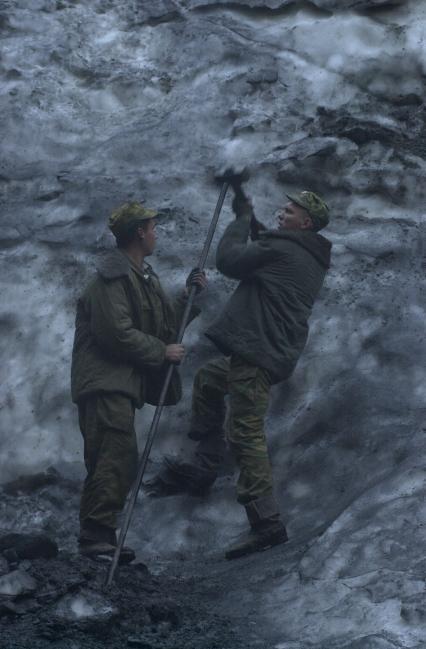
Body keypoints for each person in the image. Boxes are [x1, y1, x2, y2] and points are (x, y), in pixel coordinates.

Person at [145, 185, 332, 560]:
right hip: (268, 349)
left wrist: (241, 220)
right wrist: (255, 223)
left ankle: (266, 523)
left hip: (257, 351)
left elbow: (230, 260)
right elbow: (271, 250)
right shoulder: (306, 254)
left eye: (290, 211)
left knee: (245, 432)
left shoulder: (283, 248)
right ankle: (206, 465)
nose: (282, 212)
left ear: (305, 222)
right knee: (210, 379)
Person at [71, 202, 206, 562]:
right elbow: (115, 333)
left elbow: (161, 328)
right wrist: (162, 352)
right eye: (152, 228)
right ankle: (96, 536)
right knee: (114, 456)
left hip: (119, 384)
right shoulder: (112, 277)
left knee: (112, 457)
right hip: (104, 383)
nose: (156, 233)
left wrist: (188, 299)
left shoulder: (142, 277)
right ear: (138, 234)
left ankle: (98, 536)